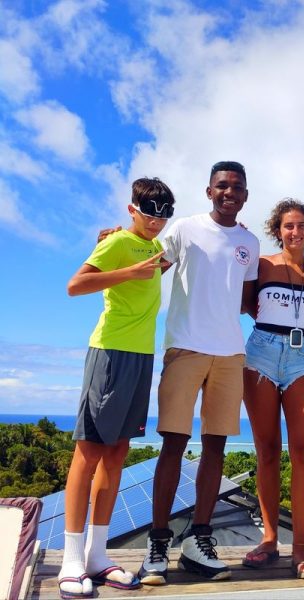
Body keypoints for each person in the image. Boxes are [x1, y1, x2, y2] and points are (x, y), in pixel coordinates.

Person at [138, 161, 259, 585]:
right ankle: (157, 543)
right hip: (186, 347)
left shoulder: (250, 242)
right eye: (222, 186)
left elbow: (246, 300)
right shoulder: (185, 229)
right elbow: (149, 265)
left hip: (230, 354)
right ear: (209, 191)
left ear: (245, 195)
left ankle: (198, 541)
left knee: (216, 447)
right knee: (173, 443)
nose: (229, 193)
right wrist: (119, 239)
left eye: (237, 187)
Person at [58, 178, 175, 599]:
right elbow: (75, 285)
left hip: (142, 357)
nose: (157, 221)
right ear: (132, 209)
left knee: (117, 453)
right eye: (149, 213)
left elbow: (178, 252)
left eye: (164, 214)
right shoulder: (118, 243)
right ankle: (71, 560)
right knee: (89, 452)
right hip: (109, 353)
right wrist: (130, 271)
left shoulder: (154, 245)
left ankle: (97, 556)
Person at [242, 199, 304, 579]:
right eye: (288, 225)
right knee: (268, 450)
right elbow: (245, 302)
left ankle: (301, 546)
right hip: (261, 352)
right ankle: (270, 539)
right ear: (278, 230)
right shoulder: (263, 264)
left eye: (302, 225)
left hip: (303, 356)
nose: (295, 231)